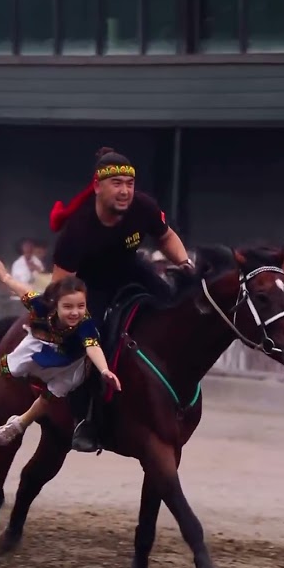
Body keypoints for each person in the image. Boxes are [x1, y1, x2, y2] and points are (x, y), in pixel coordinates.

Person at [48, 147, 192, 452]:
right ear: (98, 187)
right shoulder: (78, 228)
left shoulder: (143, 207)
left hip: (132, 269)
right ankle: (85, 418)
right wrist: (68, 322)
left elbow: (165, 237)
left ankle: (178, 392)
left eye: (129, 184)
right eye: (117, 184)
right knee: (89, 342)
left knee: (173, 306)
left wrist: (184, 264)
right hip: (90, 285)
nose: (125, 191)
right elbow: (60, 285)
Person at [0, 258, 120, 445]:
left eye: (81, 306)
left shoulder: (85, 324)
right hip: (41, 342)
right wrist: (6, 278)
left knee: (55, 391)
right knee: (7, 366)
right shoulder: (41, 306)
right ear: (55, 304)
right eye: (68, 307)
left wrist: (104, 370)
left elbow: (93, 347)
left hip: (71, 360)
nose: (75, 312)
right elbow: (23, 290)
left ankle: (20, 423)